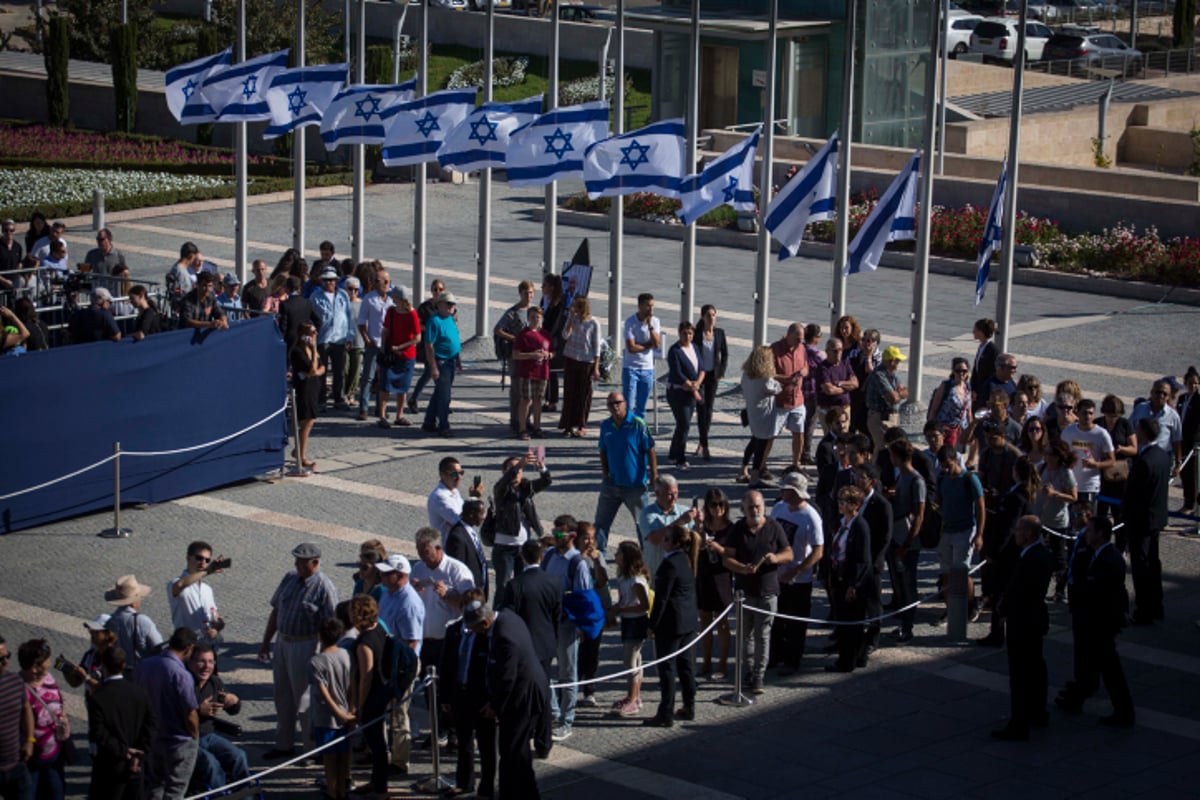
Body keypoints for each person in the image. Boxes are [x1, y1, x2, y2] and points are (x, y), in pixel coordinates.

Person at [258, 543, 339, 759]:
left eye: (302, 562)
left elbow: (331, 625)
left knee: (304, 700)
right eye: (296, 561)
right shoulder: (289, 578)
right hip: (283, 642)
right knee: (282, 695)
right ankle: (283, 744)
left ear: (315, 562)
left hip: (306, 645)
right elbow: (276, 610)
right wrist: (267, 641)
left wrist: (324, 655)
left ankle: (310, 749)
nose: (297, 565)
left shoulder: (324, 587)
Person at [1056, 515, 1135, 726]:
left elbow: (1105, 594)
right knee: (1090, 664)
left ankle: (1124, 711)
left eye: (1090, 530)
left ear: (1100, 534)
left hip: (1100, 623)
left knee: (1110, 668)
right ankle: (1077, 698)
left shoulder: (1108, 558)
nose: (1086, 534)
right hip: (1093, 620)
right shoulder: (1098, 554)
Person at [466, 602, 548, 800]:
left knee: (513, 752)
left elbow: (506, 677)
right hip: (527, 689)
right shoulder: (507, 616)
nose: (476, 634)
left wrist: (494, 706)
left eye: (476, 629)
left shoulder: (504, 637)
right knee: (515, 751)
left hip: (523, 695)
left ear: (485, 622)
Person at [722, 490, 793, 692]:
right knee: (745, 635)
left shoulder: (773, 527)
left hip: (767, 590)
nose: (755, 510)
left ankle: (759, 675)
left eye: (758, 506)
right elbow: (727, 559)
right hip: (744, 592)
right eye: (751, 507)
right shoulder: (738, 529)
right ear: (743, 509)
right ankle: (749, 669)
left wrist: (776, 559)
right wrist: (742, 568)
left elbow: (789, 553)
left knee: (763, 634)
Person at [992, 516, 1055, 741]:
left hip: (1024, 621)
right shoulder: (1040, 555)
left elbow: (1022, 590)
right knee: (1036, 667)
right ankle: (1038, 710)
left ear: (1028, 534)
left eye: (1018, 530)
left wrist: (1004, 606)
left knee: (1020, 673)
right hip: (1033, 618)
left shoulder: (1032, 558)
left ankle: (1019, 723)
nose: (1015, 533)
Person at [412, 527, 475, 745]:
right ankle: (437, 729)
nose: (421, 556)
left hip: (449, 641)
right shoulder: (418, 569)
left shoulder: (457, 571)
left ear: (438, 548)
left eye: (425, 551)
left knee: (450, 688)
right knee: (430, 689)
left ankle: (455, 730)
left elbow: (471, 603)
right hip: (425, 640)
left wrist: (448, 596)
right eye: (419, 551)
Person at [497, 539, 560, 758]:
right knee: (543, 693)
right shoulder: (553, 581)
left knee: (521, 694)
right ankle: (544, 742)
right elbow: (556, 614)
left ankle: (524, 737)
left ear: (522, 557)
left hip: (524, 646)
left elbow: (508, 617)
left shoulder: (515, 585)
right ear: (541, 557)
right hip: (546, 644)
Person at [642, 524, 699, 728]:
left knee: (667, 668)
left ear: (675, 543)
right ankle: (689, 705)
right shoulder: (685, 559)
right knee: (686, 666)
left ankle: (665, 713)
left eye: (666, 539)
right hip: (687, 622)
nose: (663, 542)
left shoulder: (669, 565)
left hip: (671, 624)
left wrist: (651, 625)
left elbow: (661, 600)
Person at [440, 588, 496, 798]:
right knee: (463, 742)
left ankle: (488, 786)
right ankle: (464, 782)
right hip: (460, 693)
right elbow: (446, 664)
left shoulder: (487, 636)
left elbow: (493, 670)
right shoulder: (453, 630)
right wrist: (444, 696)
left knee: (486, 744)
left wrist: (492, 699)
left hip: (480, 697)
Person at [540, 518, 592, 742]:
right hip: (548, 622)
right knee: (543, 668)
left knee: (567, 673)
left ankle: (566, 720)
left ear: (572, 536)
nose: (556, 537)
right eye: (554, 532)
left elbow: (583, 597)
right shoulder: (550, 555)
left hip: (567, 624)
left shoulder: (577, 563)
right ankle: (553, 711)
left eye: (560, 534)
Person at [136, 628, 200, 800]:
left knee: (153, 788)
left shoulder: (145, 665)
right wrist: (195, 735)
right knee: (175, 792)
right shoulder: (181, 675)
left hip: (152, 739)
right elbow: (189, 712)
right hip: (177, 742)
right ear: (188, 648)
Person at [374, 554, 423, 776]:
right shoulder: (389, 594)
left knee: (399, 714)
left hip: (401, 665)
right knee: (385, 712)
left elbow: (411, 643)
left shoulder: (409, 603)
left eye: (386, 573)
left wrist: (398, 674)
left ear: (400, 575)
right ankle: (383, 755)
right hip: (386, 662)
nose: (382, 576)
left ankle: (400, 761)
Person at [769, 473, 825, 669]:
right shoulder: (778, 508)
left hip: (799, 581)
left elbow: (818, 550)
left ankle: (792, 661)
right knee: (776, 620)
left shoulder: (810, 517)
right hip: (777, 576)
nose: (781, 492)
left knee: (796, 624)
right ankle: (775, 656)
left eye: (785, 489)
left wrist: (797, 571)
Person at [86, 647, 155, 800]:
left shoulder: (98, 698)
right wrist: (140, 752)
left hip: (109, 766)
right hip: (136, 765)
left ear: (103, 665)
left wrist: (123, 751)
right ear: (123, 665)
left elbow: (99, 733)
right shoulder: (139, 693)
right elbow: (150, 725)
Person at [593, 391, 657, 554]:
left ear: (625, 403)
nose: (615, 407)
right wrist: (605, 472)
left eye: (618, 403)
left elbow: (650, 450)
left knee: (642, 524)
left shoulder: (638, 423)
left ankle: (647, 558)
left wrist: (654, 476)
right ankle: (598, 560)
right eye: (611, 404)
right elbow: (603, 450)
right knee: (600, 525)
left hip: (635, 486)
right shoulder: (606, 425)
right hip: (611, 484)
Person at [1124, 417, 1171, 625]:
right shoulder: (1161, 455)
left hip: (1141, 521)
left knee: (1141, 565)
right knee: (1153, 563)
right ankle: (1156, 604)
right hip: (1156, 518)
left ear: (1143, 433)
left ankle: (1144, 610)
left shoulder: (1144, 461)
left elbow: (1134, 495)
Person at [187, 644, 248, 793]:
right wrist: (198, 710)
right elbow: (172, 713)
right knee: (211, 764)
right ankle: (220, 795)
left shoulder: (214, 682)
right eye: (201, 661)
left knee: (239, 756)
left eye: (210, 662)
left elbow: (233, 709)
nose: (206, 666)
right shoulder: (184, 683)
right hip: (188, 738)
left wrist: (233, 701)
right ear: (190, 663)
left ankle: (244, 795)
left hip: (209, 736)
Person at [825, 486, 873, 672]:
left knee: (851, 622)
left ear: (855, 505)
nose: (840, 505)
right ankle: (850, 655)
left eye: (844, 502)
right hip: (838, 576)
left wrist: (854, 584)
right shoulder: (842, 523)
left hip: (852, 580)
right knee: (842, 619)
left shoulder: (860, 526)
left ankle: (848, 660)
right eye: (839, 501)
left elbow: (863, 559)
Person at [492, 453, 552, 602]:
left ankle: (519, 616)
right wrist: (518, 464)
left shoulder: (526, 487)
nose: (517, 472)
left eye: (520, 470)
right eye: (512, 469)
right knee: (504, 586)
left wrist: (541, 467)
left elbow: (546, 481)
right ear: (504, 472)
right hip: (505, 547)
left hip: (523, 547)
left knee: (522, 586)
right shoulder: (500, 489)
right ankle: (499, 615)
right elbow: (503, 484)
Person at [936, 445, 986, 623]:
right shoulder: (942, 478)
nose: (946, 469)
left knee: (961, 572)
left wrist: (979, 534)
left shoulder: (969, 479)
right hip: (947, 529)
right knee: (946, 573)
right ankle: (952, 609)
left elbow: (980, 507)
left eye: (948, 465)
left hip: (965, 530)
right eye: (942, 466)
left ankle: (970, 604)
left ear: (956, 460)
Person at [348, 595, 390, 798]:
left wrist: (359, 704)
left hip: (373, 696)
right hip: (381, 691)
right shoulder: (379, 629)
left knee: (376, 743)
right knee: (377, 742)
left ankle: (380, 786)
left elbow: (366, 675)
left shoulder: (364, 642)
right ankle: (376, 781)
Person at [309, 618, 354, 800]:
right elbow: (354, 684)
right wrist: (351, 711)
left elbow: (324, 694)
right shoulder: (347, 655)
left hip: (327, 717)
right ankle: (343, 790)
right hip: (347, 713)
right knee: (344, 756)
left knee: (329, 759)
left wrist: (338, 714)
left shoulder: (316, 662)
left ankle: (332, 792)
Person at [885, 441, 924, 643]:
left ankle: (908, 627)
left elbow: (919, 515)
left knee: (908, 584)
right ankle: (901, 623)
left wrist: (907, 544)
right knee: (899, 583)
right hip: (895, 534)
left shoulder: (916, 480)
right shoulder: (901, 476)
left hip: (906, 538)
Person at [18, 639, 67, 800]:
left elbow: (58, 700)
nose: (50, 663)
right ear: (34, 668)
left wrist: (64, 718)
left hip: (54, 754)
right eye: (46, 660)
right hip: (31, 759)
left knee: (57, 793)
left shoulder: (48, 678)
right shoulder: (18, 689)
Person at [695, 488, 735, 679]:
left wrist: (719, 548)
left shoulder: (731, 528)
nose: (717, 508)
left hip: (722, 578)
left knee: (723, 623)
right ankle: (706, 661)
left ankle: (722, 664)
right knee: (704, 620)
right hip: (703, 575)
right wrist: (698, 532)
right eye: (713, 504)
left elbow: (736, 553)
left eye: (721, 504)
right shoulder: (703, 527)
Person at [609, 541, 651, 717]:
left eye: (619, 553)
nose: (615, 556)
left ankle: (632, 699)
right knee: (636, 661)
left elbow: (644, 606)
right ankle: (635, 696)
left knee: (630, 662)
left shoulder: (635, 581)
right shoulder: (624, 578)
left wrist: (621, 609)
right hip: (628, 621)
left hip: (636, 623)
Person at [494, 281, 537, 431]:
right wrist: (514, 338)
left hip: (530, 356)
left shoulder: (534, 311)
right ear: (520, 293)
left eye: (531, 293)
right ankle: (515, 419)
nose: (529, 296)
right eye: (526, 293)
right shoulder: (513, 312)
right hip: (516, 355)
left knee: (529, 389)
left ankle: (526, 419)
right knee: (517, 389)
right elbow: (498, 329)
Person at [376, 284, 421, 427]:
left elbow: (417, 338)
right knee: (385, 385)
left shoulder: (412, 314)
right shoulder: (391, 311)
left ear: (399, 298)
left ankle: (399, 415)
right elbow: (386, 331)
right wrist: (384, 348)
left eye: (394, 296)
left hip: (406, 355)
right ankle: (382, 416)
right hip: (391, 354)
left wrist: (400, 347)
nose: (392, 299)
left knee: (403, 387)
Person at [311, 266, 355, 411]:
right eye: (326, 280)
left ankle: (339, 398)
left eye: (331, 280)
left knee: (339, 371)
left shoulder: (342, 295)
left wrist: (350, 335)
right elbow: (311, 318)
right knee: (322, 372)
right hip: (323, 338)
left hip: (340, 338)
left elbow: (349, 316)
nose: (329, 283)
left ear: (336, 281)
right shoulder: (315, 296)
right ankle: (321, 400)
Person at [739, 345, 783, 486]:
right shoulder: (765, 379)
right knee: (761, 447)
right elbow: (777, 388)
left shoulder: (746, 375)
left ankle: (743, 469)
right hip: (764, 416)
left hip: (752, 413)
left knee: (753, 442)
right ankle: (754, 477)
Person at [636, 474, 696, 578]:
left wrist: (699, 523)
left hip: (680, 572)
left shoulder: (684, 511)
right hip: (656, 571)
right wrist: (681, 521)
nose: (674, 498)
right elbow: (654, 539)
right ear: (657, 493)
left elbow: (696, 539)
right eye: (669, 494)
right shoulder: (647, 514)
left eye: (676, 493)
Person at [559, 294, 602, 438]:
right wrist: (571, 318)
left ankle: (582, 424)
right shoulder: (573, 320)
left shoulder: (594, 323)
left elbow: (596, 346)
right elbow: (565, 335)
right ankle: (568, 425)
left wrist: (596, 367)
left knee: (584, 395)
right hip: (571, 358)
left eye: (576, 306)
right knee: (569, 393)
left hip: (586, 361)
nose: (574, 309)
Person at [665, 321, 706, 470]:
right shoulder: (674, 350)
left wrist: (698, 383)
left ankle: (672, 454)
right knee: (684, 424)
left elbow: (701, 368)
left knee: (682, 425)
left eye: (690, 333)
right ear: (679, 333)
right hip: (678, 393)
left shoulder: (694, 347)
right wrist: (692, 386)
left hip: (692, 392)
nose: (687, 336)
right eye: (684, 333)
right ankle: (680, 458)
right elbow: (677, 373)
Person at [1061, 398, 1114, 510]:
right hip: (1070, 484)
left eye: (1091, 413)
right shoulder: (1068, 432)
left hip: (1090, 485)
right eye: (1085, 413)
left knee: (1087, 520)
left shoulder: (1101, 434)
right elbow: (1061, 454)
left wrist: (1096, 464)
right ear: (1077, 413)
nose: (1088, 416)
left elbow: (1111, 460)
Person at [168, 541, 227, 643]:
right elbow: (180, 585)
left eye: (207, 560)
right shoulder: (175, 583)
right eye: (199, 558)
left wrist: (217, 626)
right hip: (186, 645)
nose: (203, 562)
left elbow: (215, 615)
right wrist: (207, 571)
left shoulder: (207, 589)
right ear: (188, 558)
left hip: (206, 646)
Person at [356, 268, 394, 421]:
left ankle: (380, 408)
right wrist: (366, 338)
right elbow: (361, 321)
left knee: (384, 377)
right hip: (373, 342)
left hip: (387, 344)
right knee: (368, 377)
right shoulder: (369, 299)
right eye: (379, 281)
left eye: (385, 281)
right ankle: (363, 408)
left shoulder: (392, 299)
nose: (384, 284)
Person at [104, 575, 164, 672]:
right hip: (141, 673)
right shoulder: (143, 621)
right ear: (133, 602)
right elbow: (159, 647)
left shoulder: (110, 622)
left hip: (119, 674)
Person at [422, 292, 462, 437]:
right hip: (441, 361)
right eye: (449, 304)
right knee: (445, 396)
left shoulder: (450, 319)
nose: (452, 307)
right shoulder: (434, 321)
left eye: (453, 304)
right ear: (440, 305)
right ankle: (443, 426)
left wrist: (458, 359)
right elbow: (429, 345)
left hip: (450, 360)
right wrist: (433, 366)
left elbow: (454, 339)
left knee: (439, 393)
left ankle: (429, 421)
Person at [692, 304, 728, 460]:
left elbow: (725, 354)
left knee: (709, 408)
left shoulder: (719, 333)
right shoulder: (697, 334)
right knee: (701, 408)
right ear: (703, 317)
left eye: (713, 315)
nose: (711, 318)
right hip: (700, 376)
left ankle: (703, 441)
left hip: (713, 376)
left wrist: (721, 372)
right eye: (708, 315)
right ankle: (703, 444)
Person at [513, 305, 553, 440]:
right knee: (525, 400)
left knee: (538, 400)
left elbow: (553, 351)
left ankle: (537, 427)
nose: (536, 319)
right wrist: (532, 355)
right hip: (527, 372)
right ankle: (522, 428)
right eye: (533, 317)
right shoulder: (523, 334)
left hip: (543, 372)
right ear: (528, 318)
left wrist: (548, 355)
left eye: (538, 317)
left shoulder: (545, 334)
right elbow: (516, 355)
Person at [408, 278, 447, 415]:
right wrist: (432, 328)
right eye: (435, 289)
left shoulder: (447, 306)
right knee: (431, 372)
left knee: (434, 374)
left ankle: (440, 401)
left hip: (442, 346)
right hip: (428, 344)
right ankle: (440, 401)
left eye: (440, 289)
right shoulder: (425, 307)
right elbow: (417, 325)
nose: (437, 292)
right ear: (431, 290)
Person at [290, 321, 325, 474]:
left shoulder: (312, 351)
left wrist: (316, 371)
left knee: (310, 420)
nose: (315, 335)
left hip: (314, 386)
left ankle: (298, 450)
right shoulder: (297, 351)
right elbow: (311, 368)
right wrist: (314, 347)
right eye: (312, 332)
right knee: (306, 420)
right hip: (304, 388)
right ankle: (300, 455)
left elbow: (322, 367)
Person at [1097, 394, 1137, 524]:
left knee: (1118, 511)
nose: (1113, 419)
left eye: (1115, 416)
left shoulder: (1125, 424)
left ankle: (1121, 541)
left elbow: (1134, 448)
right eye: (1110, 415)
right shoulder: (1098, 423)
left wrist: (1121, 449)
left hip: (1120, 474)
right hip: (1102, 472)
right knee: (1101, 510)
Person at [1129, 379, 1184, 469]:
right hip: (1140, 457)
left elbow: (1176, 441)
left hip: (1162, 459)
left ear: (1168, 397)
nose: (1160, 396)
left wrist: (1178, 463)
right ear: (1152, 392)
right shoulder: (1140, 409)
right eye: (1158, 392)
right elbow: (1130, 430)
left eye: (1164, 394)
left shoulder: (1173, 416)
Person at [622, 293, 662, 418]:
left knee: (641, 406)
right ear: (640, 306)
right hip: (631, 367)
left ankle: (640, 431)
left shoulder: (655, 322)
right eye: (647, 306)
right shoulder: (630, 322)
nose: (651, 309)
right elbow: (631, 347)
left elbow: (656, 344)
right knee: (628, 404)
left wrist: (650, 327)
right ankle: (627, 430)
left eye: (652, 306)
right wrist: (647, 346)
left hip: (647, 369)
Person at [865, 345, 908, 455]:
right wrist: (898, 394)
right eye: (897, 361)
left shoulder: (892, 375)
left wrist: (898, 394)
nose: (898, 364)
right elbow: (893, 398)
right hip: (880, 418)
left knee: (891, 448)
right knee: (882, 449)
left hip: (892, 417)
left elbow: (906, 391)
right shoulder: (879, 375)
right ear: (892, 361)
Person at [427, 456, 484, 539]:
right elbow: (461, 521)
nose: (459, 477)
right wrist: (474, 498)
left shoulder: (454, 491)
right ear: (442, 475)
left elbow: (464, 511)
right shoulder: (439, 497)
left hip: (461, 542)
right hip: (449, 548)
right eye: (454, 474)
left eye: (461, 473)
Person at [446, 499, 490, 600]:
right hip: (469, 594)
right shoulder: (457, 537)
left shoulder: (469, 531)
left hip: (478, 591)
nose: (483, 517)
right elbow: (458, 569)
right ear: (471, 515)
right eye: (481, 513)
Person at [928, 358, 972, 447]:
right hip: (944, 431)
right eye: (958, 370)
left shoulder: (967, 388)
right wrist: (930, 429)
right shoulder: (946, 386)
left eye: (964, 371)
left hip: (959, 431)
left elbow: (968, 411)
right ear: (953, 371)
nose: (961, 373)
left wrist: (970, 430)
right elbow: (934, 409)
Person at [540, 273, 568, 413]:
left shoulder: (558, 304)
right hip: (543, 338)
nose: (542, 287)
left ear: (551, 287)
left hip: (553, 342)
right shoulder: (544, 300)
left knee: (551, 372)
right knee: (547, 371)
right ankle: (548, 398)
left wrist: (546, 337)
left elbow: (555, 325)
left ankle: (552, 400)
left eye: (544, 285)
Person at [1179, 367, 1200, 516]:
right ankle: (1187, 501)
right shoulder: (1182, 399)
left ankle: (1191, 503)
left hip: (1193, 442)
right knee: (1184, 473)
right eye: (1191, 383)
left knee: (1192, 474)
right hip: (1181, 440)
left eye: (1196, 383)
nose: (1193, 386)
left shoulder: (1199, 400)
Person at [969, 318, 998, 410]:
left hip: (985, 391)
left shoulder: (993, 350)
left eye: (975, 330)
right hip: (978, 390)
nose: (973, 332)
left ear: (981, 332)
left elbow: (992, 372)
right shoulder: (981, 347)